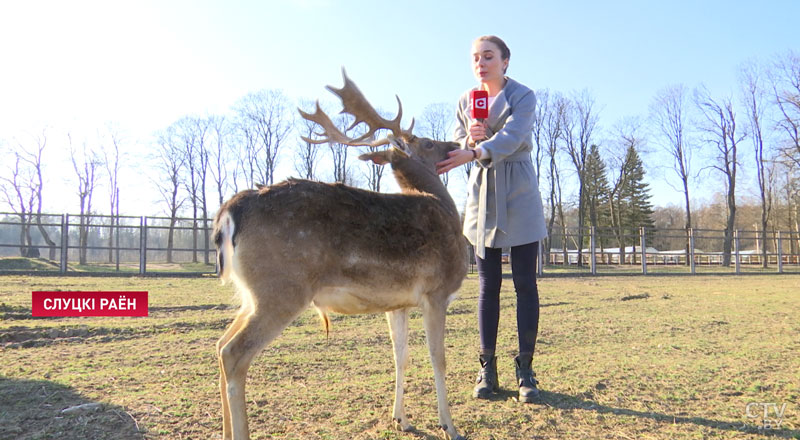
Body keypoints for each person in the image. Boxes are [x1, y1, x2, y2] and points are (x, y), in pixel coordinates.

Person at [436, 35, 547, 403]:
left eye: (488, 56)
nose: (481, 63)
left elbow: (516, 137)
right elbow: (457, 141)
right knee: (488, 286)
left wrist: (479, 149)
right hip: (482, 194)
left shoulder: (523, 96)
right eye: (475, 58)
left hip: (519, 191)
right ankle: (487, 368)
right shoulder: (466, 101)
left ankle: (526, 371)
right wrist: (469, 137)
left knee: (525, 284)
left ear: (505, 61)